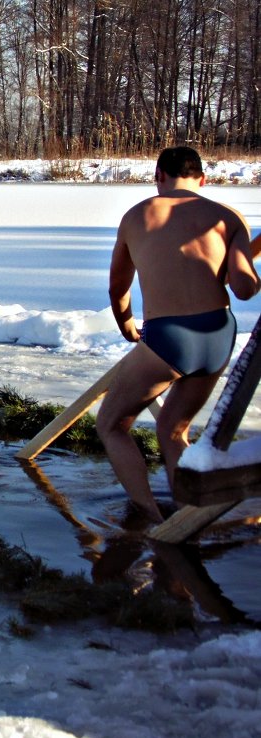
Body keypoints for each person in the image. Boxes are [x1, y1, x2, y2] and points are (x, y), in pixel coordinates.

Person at [96, 146, 259, 525]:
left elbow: (118, 286)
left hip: (169, 337)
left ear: (158, 176)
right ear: (202, 180)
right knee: (173, 428)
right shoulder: (227, 217)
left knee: (112, 425)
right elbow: (244, 289)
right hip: (218, 333)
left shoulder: (138, 216)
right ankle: (188, 517)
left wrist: (128, 326)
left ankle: (151, 517)